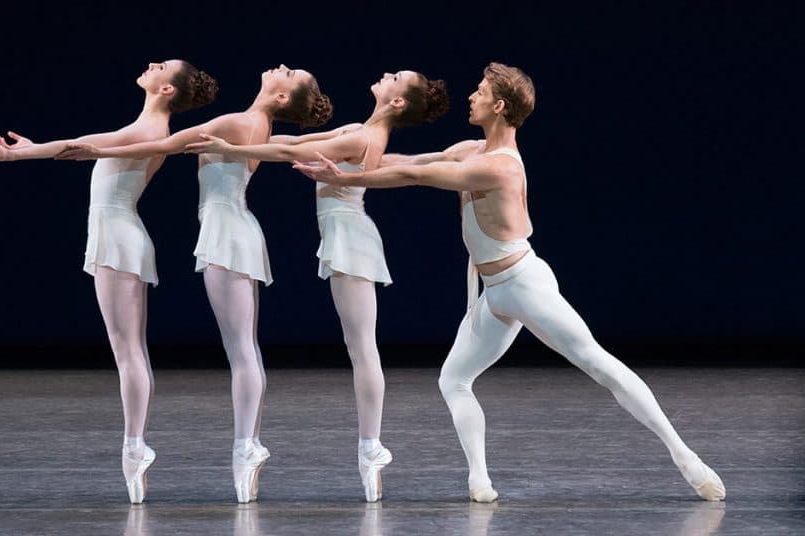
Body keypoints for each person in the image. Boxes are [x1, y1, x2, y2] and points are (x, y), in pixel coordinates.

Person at [294, 62, 726, 503]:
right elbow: (410, 160)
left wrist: (346, 178)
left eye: (480, 92)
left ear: (499, 106)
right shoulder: (471, 148)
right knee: (453, 380)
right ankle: (479, 479)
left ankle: (685, 456)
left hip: (525, 283)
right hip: (494, 292)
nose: (471, 97)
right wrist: (351, 153)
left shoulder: (500, 167)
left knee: (597, 363)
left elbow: (415, 177)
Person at [55, 64, 333, 502]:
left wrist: (77, 150)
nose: (280, 67)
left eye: (289, 72)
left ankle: (245, 447)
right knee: (244, 348)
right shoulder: (252, 124)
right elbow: (296, 142)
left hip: (227, 234)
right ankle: (246, 445)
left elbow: (165, 143)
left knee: (241, 349)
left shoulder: (238, 123)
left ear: (282, 98)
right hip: (231, 230)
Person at [183, 69, 448, 502]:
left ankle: (372, 446)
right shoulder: (361, 131)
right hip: (344, 236)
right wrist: (241, 143)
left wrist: (231, 147)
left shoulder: (361, 138)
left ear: (398, 102)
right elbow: (292, 145)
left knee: (362, 348)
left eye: (395, 77)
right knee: (359, 346)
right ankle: (369, 448)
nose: (384, 75)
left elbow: (290, 149)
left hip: (351, 239)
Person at [0, 60, 218, 503]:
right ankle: (136, 446)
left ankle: (135, 446)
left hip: (119, 241)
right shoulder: (145, 127)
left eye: (162, 67)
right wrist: (32, 147)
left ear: (166, 90)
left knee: (128, 353)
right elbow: (81, 146)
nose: (151, 65)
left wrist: (17, 154)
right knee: (131, 351)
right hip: (120, 238)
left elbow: (77, 146)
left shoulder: (147, 132)